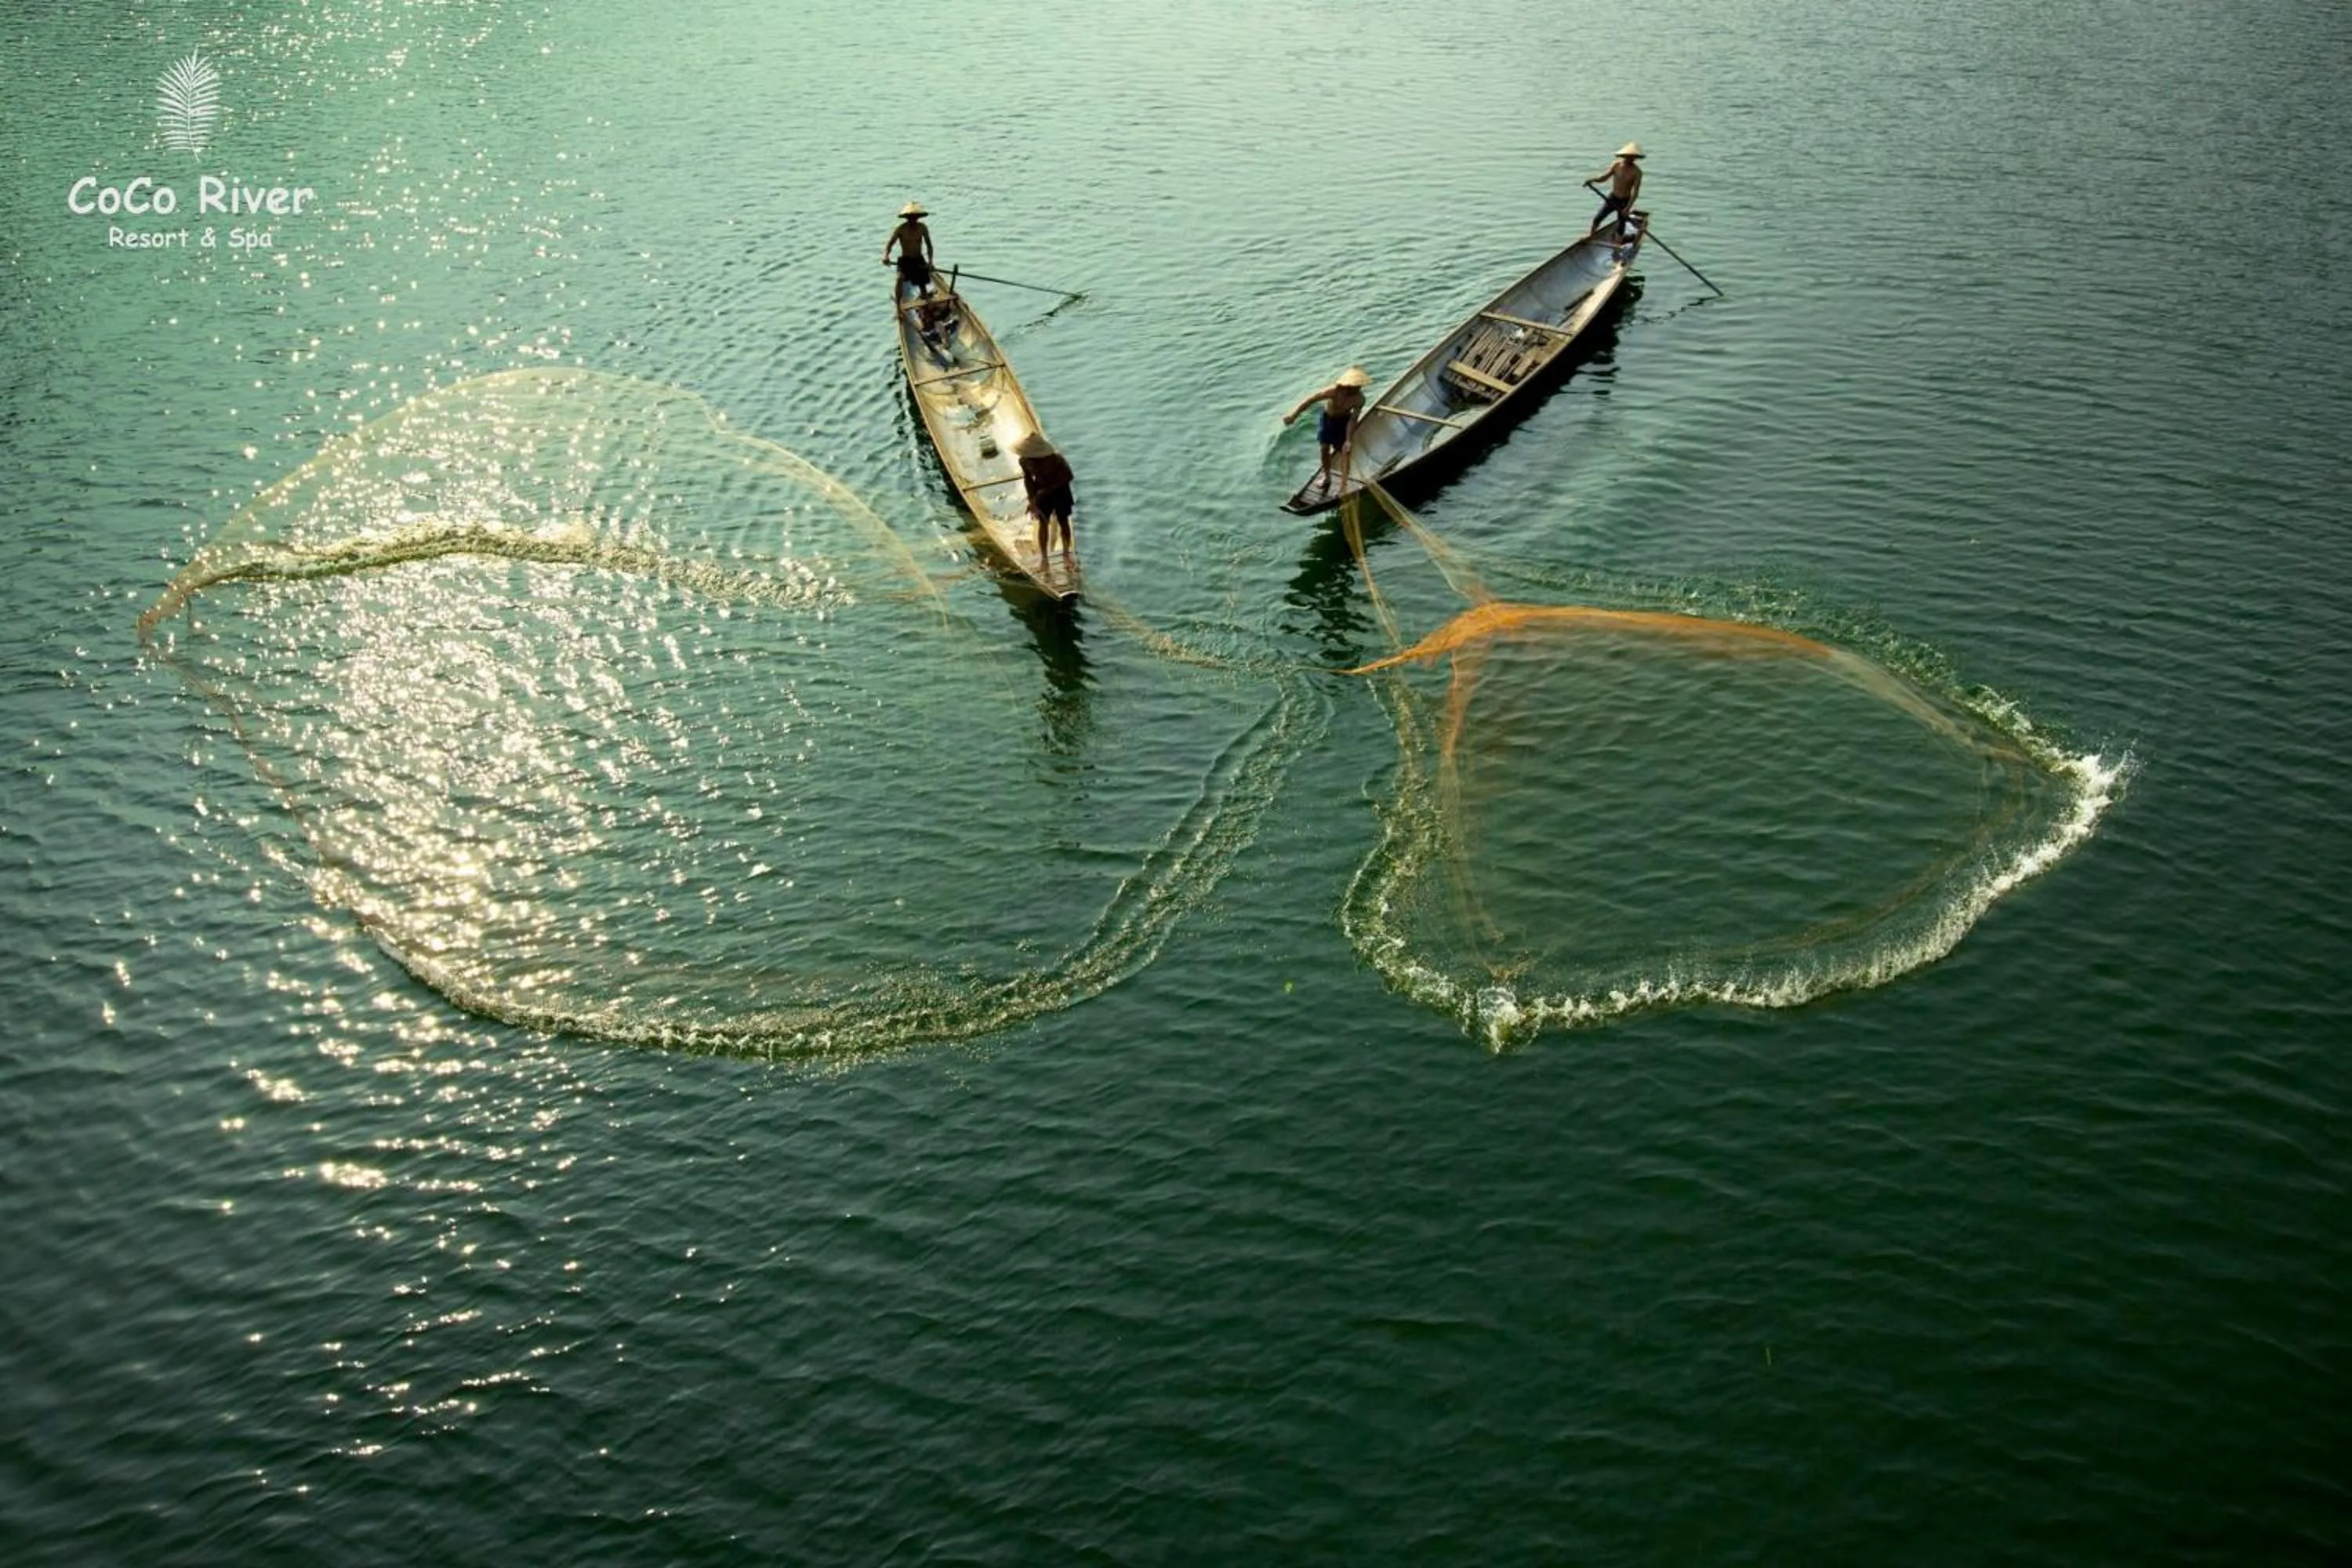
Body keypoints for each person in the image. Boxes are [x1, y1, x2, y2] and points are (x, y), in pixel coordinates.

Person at [1282, 366, 1371, 494]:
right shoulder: (1332, 392)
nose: (1358, 388)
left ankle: (1344, 484)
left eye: (1359, 386)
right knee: (1324, 448)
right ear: (1347, 385)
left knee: (1345, 451)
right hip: (1328, 419)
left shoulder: (1360, 399)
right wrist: (1293, 415)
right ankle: (1327, 476)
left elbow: (1353, 420)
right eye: (1355, 386)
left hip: (1343, 421)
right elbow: (1310, 400)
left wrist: (1348, 440)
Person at [1014, 430, 1075, 565]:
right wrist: (1032, 499)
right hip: (1041, 491)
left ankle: (1066, 554)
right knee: (1043, 522)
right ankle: (1044, 557)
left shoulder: (1056, 460)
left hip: (1060, 491)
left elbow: (1068, 477)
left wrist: (1044, 492)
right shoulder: (1024, 461)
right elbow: (1028, 479)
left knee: (1063, 520)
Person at [1588, 142, 1642, 234]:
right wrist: (1592, 180)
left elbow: (1635, 192)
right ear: (1624, 156)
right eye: (1628, 156)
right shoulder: (1616, 165)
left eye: (1633, 157)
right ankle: (1590, 236)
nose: (1630, 159)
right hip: (1613, 198)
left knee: (1621, 226)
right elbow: (1604, 178)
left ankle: (1617, 244)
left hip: (1625, 201)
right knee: (1598, 218)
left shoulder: (1637, 172)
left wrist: (1628, 208)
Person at [884, 201, 935, 299]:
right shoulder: (900, 229)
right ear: (907, 218)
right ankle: (899, 308)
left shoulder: (922, 228)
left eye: (915, 217)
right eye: (911, 217)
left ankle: (925, 299)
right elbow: (890, 243)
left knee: (923, 284)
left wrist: (930, 262)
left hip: (918, 258)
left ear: (918, 217)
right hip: (905, 260)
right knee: (900, 279)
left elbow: (929, 245)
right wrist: (886, 256)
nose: (913, 219)